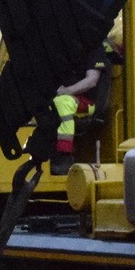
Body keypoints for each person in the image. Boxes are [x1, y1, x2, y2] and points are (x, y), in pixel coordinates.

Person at [50, 41, 111, 175]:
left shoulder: (94, 48)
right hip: (64, 94)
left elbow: (92, 80)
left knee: (62, 102)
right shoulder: (63, 47)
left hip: (87, 101)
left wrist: (68, 90)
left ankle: (64, 156)